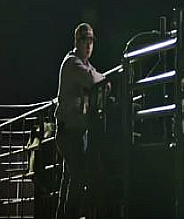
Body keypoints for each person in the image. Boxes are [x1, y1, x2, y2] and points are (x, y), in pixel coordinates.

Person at [54, 23, 107, 219]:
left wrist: (102, 80)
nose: (89, 44)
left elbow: (97, 78)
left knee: (70, 177)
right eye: (85, 39)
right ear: (77, 41)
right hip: (69, 131)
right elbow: (95, 81)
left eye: (92, 40)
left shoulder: (84, 65)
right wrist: (103, 81)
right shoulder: (72, 63)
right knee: (77, 176)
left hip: (76, 131)